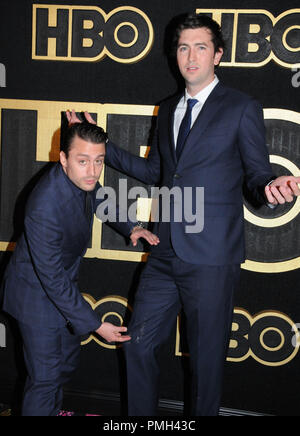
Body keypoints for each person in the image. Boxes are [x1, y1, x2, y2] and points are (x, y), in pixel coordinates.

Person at [67, 14, 300, 416]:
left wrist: (268, 186)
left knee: (206, 363)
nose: (191, 56)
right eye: (182, 47)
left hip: (210, 258)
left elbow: (257, 171)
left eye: (201, 47)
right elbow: (158, 171)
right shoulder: (168, 107)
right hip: (163, 253)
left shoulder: (241, 107)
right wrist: (102, 144)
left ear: (218, 55)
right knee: (136, 344)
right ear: (175, 55)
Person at [1, 122, 159, 416]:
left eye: (99, 160)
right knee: (45, 379)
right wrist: (98, 326)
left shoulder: (80, 179)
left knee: (65, 365)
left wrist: (132, 227)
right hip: (36, 296)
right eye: (82, 160)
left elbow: (98, 195)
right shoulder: (45, 205)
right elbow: (52, 279)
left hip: (60, 292)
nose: (92, 170)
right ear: (62, 159)